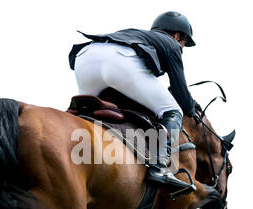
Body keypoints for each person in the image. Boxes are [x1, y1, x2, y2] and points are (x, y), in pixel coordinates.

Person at [69, 11, 197, 193]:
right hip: (118, 60)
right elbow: (181, 94)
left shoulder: (138, 34)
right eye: (184, 42)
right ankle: (159, 167)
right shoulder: (172, 45)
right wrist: (191, 108)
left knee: (87, 113)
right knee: (172, 110)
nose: (183, 47)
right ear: (177, 36)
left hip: (86, 57)